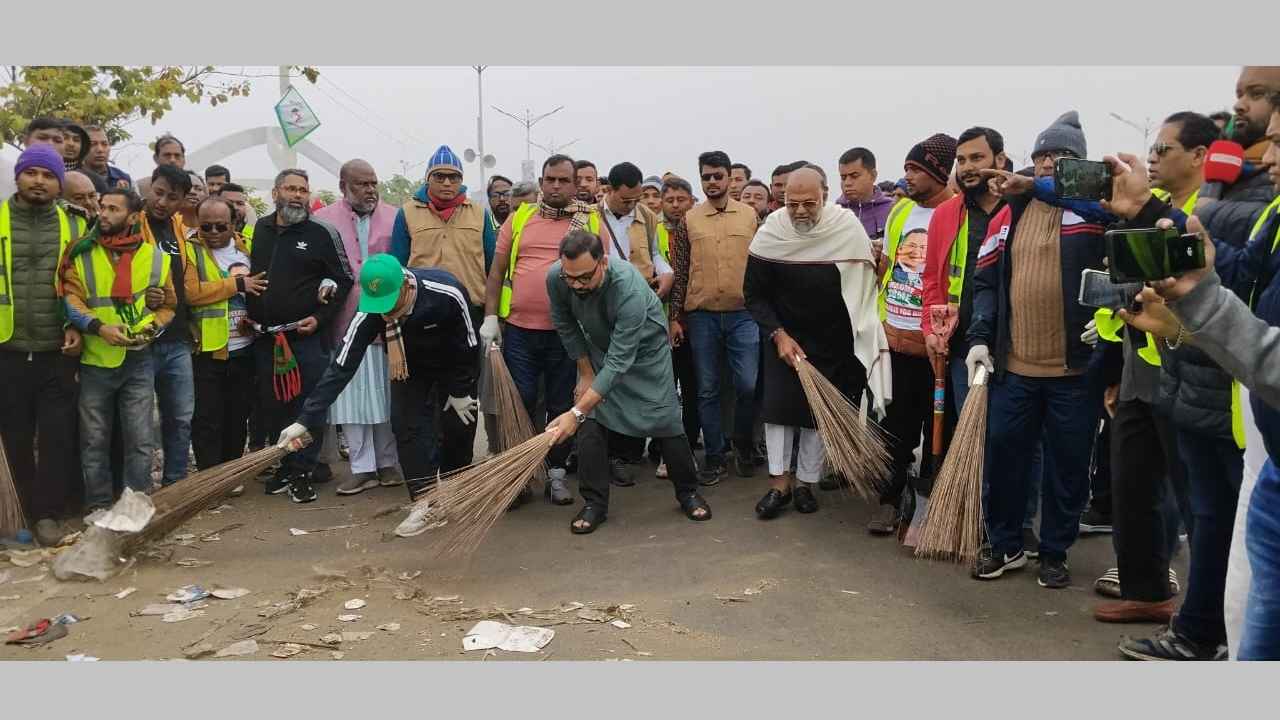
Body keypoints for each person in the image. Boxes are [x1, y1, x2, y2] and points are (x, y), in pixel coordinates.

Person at [1109, 136, 1280, 659]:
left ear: (1202, 154)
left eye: (1166, 145)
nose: (1267, 157)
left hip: (1233, 406)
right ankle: (1201, 630)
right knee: (1217, 541)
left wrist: (1194, 313)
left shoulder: (1234, 210)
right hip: (1238, 416)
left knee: (1210, 525)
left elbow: (1240, 285)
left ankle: (1200, 631)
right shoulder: (1268, 211)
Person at [966, 111, 1106, 588]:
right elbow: (984, 281)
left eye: (1060, 155)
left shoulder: (1092, 208)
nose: (1048, 163)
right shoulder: (1008, 213)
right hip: (1016, 368)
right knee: (1005, 459)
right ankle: (1005, 545)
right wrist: (981, 338)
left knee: (1067, 469)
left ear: (1079, 162)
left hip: (1075, 369)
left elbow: (1112, 217)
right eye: (1042, 155)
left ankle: (1055, 551)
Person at [279, 254, 476, 536]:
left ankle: (456, 490)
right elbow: (342, 364)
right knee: (406, 427)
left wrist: (461, 390)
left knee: (458, 430)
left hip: (454, 366)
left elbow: (468, 343)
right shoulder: (372, 306)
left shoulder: (445, 291)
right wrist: (306, 418)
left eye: (390, 303)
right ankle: (425, 503)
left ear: (405, 286)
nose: (386, 312)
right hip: (408, 368)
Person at [544, 229, 712, 533]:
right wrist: (585, 373)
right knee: (591, 424)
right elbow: (565, 324)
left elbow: (621, 360)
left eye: (584, 278)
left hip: (645, 355)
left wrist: (575, 412)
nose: (577, 285)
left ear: (603, 262)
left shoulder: (628, 288)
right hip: (598, 350)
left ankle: (688, 491)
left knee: (666, 420)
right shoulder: (557, 278)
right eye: (570, 278)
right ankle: (594, 502)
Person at [745, 168, 889, 519]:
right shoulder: (772, 232)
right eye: (793, 204)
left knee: (817, 414)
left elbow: (866, 280)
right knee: (779, 413)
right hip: (783, 337)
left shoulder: (846, 227)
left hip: (831, 339)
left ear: (826, 195)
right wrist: (777, 334)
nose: (801, 211)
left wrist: (881, 268)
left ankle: (807, 484)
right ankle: (779, 485)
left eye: (810, 203)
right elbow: (753, 294)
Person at [481, 155, 603, 506]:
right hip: (519, 330)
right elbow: (496, 272)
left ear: (574, 183)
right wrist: (491, 317)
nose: (556, 186)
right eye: (550, 180)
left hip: (568, 334)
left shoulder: (589, 221)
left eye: (564, 180)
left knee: (561, 404)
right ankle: (520, 476)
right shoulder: (521, 217)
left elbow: (602, 274)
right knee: (518, 401)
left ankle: (556, 475)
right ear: (541, 181)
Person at [61, 188, 176, 513]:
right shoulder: (80, 253)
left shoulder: (156, 258)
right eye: (102, 207)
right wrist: (99, 328)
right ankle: (97, 507)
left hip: (138, 360)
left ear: (134, 217)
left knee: (140, 441)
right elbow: (70, 299)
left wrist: (154, 328)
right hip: (95, 360)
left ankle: (135, 508)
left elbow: (168, 305)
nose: (103, 214)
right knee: (93, 441)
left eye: (113, 209)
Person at [247, 168, 354, 503]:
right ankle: (284, 467)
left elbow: (345, 278)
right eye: (290, 189)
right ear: (276, 193)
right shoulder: (260, 230)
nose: (297, 195)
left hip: (306, 337)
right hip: (267, 340)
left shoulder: (322, 231)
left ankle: (302, 472)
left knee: (309, 406)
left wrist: (320, 318)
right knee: (275, 408)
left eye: (302, 190)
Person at [0, 145, 88, 546]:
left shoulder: (74, 225)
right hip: (9, 348)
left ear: (59, 183)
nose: (38, 181)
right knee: (14, 436)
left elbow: (83, 283)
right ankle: (18, 514)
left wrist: (76, 325)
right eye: (31, 173)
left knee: (56, 437)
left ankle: (48, 516)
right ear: (19, 176)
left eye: (47, 175)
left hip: (57, 348)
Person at [868, 133, 956, 535]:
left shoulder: (958, 213)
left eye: (916, 170)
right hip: (896, 337)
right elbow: (887, 265)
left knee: (937, 430)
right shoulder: (900, 212)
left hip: (937, 343)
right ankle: (891, 498)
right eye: (906, 168)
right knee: (894, 428)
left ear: (939, 173)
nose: (908, 177)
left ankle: (931, 505)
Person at [390, 146, 496, 475]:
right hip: (417, 320)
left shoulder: (479, 213)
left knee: (463, 397)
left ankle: (459, 471)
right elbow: (395, 266)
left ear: (461, 181)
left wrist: (493, 315)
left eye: (454, 177)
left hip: (467, 319)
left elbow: (494, 267)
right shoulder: (407, 213)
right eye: (440, 176)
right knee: (423, 400)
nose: (447, 183)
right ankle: (427, 470)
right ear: (428, 179)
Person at [668, 150, 761, 483]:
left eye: (717, 176)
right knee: (706, 389)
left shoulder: (751, 216)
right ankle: (715, 456)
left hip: (744, 316)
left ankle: (743, 446)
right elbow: (679, 271)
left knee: (747, 385)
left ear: (729, 177)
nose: (711, 182)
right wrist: (675, 317)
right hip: (702, 317)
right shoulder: (689, 221)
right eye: (705, 176)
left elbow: (762, 267)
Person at [313, 159, 405, 495]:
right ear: (343, 186)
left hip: (386, 319)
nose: (370, 191)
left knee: (385, 392)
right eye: (361, 184)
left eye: (373, 183)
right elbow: (317, 267)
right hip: (344, 320)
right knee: (349, 397)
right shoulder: (323, 221)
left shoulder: (396, 217)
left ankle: (388, 463)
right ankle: (361, 467)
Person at [593, 161, 675, 486]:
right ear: (609, 191)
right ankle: (614, 456)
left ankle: (630, 451)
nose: (632, 205)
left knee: (639, 379)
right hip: (603, 306)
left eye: (636, 198)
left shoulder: (648, 217)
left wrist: (666, 274)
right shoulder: (589, 217)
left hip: (639, 304)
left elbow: (656, 254)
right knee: (613, 380)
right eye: (626, 199)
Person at [184, 196, 266, 472]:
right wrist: (237, 284)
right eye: (206, 227)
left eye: (221, 226)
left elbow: (265, 288)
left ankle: (230, 474)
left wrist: (256, 317)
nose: (214, 233)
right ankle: (208, 475)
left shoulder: (249, 247)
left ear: (234, 223)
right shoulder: (189, 251)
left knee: (237, 414)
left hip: (245, 347)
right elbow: (192, 293)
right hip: (207, 348)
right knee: (207, 416)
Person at [138, 164, 199, 489]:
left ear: (181, 201)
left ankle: (176, 485)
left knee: (180, 417)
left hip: (177, 339)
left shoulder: (176, 229)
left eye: (171, 197)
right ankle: (140, 490)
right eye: (158, 192)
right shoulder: (132, 224)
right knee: (141, 424)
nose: (162, 201)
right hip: (143, 338)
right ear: (150, 186)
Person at [837, 147, 894, 242]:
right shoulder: (834, 213)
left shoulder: (892, 210)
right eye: (843, 177)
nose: (847, 183)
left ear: (873, 175)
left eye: (854, 176)